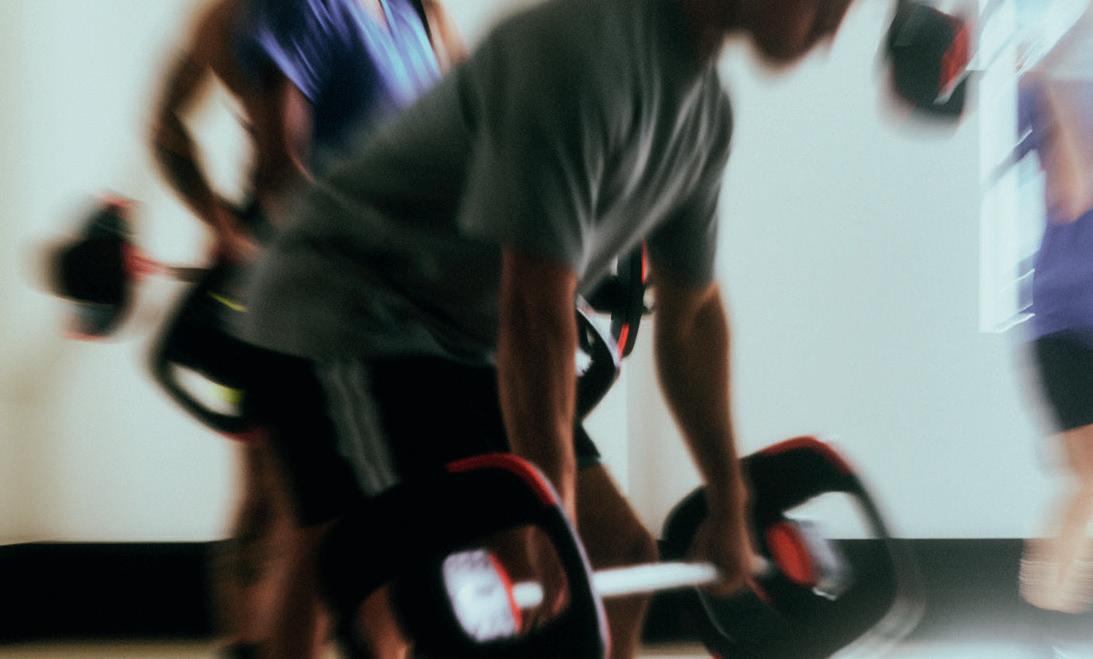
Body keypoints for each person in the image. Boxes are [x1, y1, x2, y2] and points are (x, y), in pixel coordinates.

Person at [236, 0, 855, 656]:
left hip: (464, 342)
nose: (833, 23)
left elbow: (693, 315)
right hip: (350, 309)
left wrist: (731, 501)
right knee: (410, 590)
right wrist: (546, 517)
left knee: (618, 553)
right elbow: (534, 310)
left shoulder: (704, 115)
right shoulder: (576, 52)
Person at [147, 0, 459, 656]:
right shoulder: (241, 14)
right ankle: (251, 641)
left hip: (396, 294)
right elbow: (170, 130)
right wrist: (224, 227)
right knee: (279, 498)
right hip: (292, 289)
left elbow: (467, 117)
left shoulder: (419, 11)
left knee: (339, 508)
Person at [1015, 2, 1093, 619]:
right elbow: (1077, 186)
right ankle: (1043, 608)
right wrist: (1047, 79)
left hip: (1072, 332)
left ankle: (1049, 605)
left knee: (1086, 485)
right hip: (1064, 332)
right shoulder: (1059, 118)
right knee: (1089, 483)